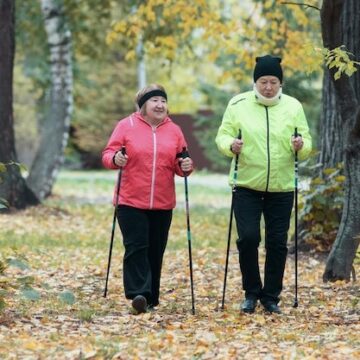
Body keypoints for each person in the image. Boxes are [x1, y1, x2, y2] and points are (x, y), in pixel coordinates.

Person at [215, 55, 312, 314]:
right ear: (255, 82)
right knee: (248, 238)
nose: (268, 86)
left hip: (281, 188)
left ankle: (270, 297)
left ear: (281, 83)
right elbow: (222, 136)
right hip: (246, 184)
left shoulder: (293, 106)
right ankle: (251, 292)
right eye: (263, 81)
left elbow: (306, 144)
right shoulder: (238, 104)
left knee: (277, 243)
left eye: (273, 81)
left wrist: (300, 146)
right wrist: (230, 146)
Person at [102, 84, 193, 314]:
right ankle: (138, 294)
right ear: (143, 105)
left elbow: (181, 162)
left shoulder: (174, 131)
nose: (160, 105)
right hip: (130, 200)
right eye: (155, 101)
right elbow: (108, 154)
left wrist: (185, 166)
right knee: (136, 246)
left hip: (162, 202)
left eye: (163, 101)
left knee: (155, 250)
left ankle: (151, 297)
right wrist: (116, 159)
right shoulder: (126, 125)